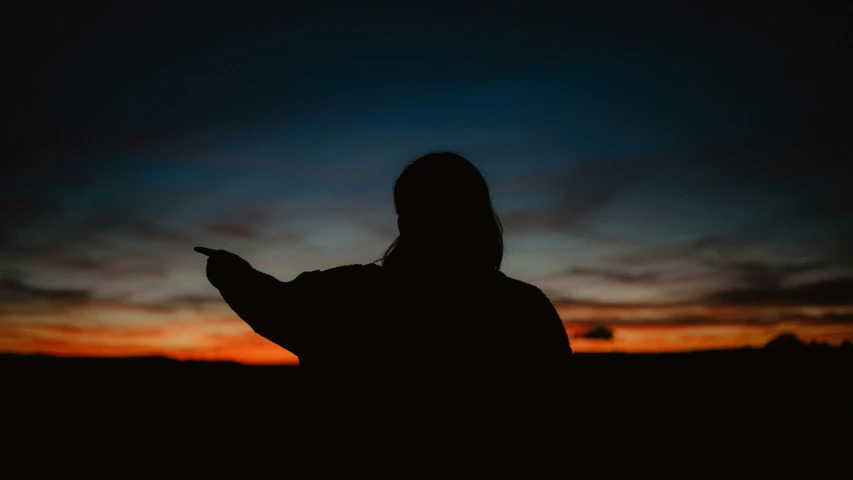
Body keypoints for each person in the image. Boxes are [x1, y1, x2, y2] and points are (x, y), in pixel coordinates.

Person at [195, 152, 571, 369]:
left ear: (404, 220)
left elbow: (273, 305)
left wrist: (231, 273)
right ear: (482, 217)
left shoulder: (348, 297)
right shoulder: (523, 309)